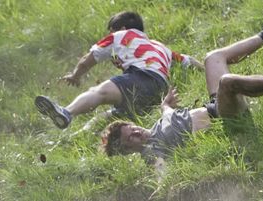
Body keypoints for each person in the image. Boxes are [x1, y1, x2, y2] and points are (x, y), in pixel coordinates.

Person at [100, 8, 263, 168]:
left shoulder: (158, 126)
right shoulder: (152, 151)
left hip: (217, 106)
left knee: (212, 57)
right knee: (227, 82)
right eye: (132, 139)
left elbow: (166, 111)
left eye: (133, 129)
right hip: (227, 122)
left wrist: (165, 104)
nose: (137, 133)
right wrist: (162, 187)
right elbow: (161, 169)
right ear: (129, 151)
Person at [35, 11, 201, 131]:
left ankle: (66, 113)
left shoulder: (119, 35)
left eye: (111, 31)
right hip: (160, 92)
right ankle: (79, 135)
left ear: (120, 28)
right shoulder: (160, 46)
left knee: (99, 92)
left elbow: (88, 60)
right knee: (109, 116)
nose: (110, 34)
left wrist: (75, 76)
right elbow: (189, 61)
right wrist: (206, 67)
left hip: (141, 77)